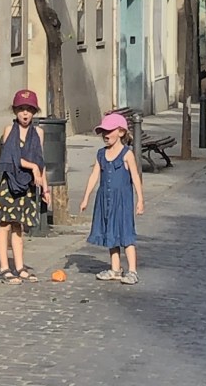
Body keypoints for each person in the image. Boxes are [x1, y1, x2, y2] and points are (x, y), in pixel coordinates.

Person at [0, 89, 50, 284]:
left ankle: (20, 266)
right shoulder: (9, 131)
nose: (25, 114)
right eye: (21, 109)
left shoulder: (38, 133)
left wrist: (45, 188)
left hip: (28, 185)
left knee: (18, 227)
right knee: (3, 225)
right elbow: (12, 158)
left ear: (34, 112)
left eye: (29, 110)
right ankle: (3, 268)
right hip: (10, 184)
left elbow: (40, 161)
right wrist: (33, 168)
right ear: (15, 111)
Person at [80, 112, 144, 285]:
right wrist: (86, 197)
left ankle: (132, 270)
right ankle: (115, 268)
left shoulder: (126, 154)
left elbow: (135, 177)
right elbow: (94, 175)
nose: (105, 135)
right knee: (110, 232)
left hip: (122, 200)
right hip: (105, 198)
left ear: (121, 132)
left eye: (109, 131)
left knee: (125, 233)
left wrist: (140, 200)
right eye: (103, 131)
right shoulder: (101, 154)